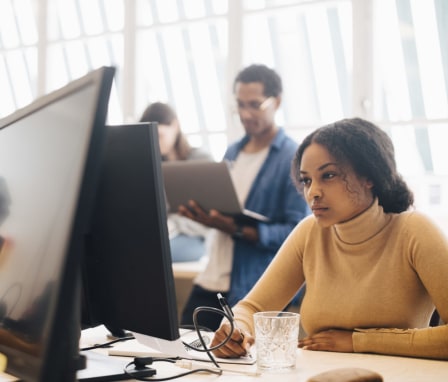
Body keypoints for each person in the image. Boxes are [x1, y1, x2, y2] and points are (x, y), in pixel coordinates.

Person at [211, 117, 448, 360]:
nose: (313, 192)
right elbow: (253, 307)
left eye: (329, 175)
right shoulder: (309, 231)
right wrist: (235, 329)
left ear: (370, 176)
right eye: (306, 180)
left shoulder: (415, 231)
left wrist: (358, 341)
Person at [178, 64, 310, 330]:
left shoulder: (293, 159)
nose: (245, 114)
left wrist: (239, 229)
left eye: (254, 105)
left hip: (252, 286)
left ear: (277, 102)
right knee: (184, 352)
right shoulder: (232, 152)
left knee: (238, 366)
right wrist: (201, 215)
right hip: (211, 277)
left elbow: (296, 233)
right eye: (240, 105)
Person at [139, 102, 211, 262]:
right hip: (163, 235)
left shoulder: (200, 161)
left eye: (159, 135)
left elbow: (208, 213)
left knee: (155, 255)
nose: (154, 141)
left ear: (175, 126)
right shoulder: (152, 166)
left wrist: (173, 224)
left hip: (195, 235)